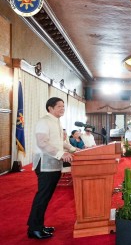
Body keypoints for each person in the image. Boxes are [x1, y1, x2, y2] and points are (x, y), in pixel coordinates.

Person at [27, 97, 77, 239]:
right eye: (59, 106)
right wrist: (61, 153)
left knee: (46, 196)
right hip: (45, 164)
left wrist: (73, 149)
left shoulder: (56, 122)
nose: (62, 108)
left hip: (54, 163)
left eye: (63, 106)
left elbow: (59, 142)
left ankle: (39, 225)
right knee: (42, 196)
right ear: (50, 108)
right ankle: (34, 229)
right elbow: (42, 143)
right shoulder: (44, 121)